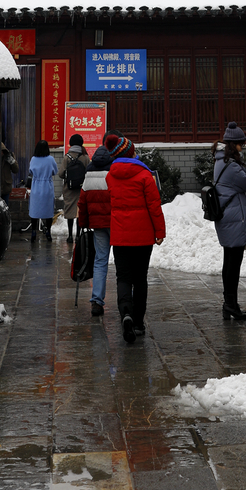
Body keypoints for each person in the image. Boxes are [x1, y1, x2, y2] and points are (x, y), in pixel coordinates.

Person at [105, 136, 165, 343]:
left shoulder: (110, 177)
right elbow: (154, 206)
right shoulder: (145, 175)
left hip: (120, 235)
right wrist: (160, 232)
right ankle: (138, 322)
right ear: (131, 153)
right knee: (140, 278)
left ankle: (126, 314)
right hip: (143, 235)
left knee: (123, 277)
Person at [212, 122, 246, 323]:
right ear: (234, 145)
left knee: (229, 262)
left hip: (228, 218)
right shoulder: (230, 165)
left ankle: (229, 304)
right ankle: (231, 304)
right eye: (241, 144)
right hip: (233, 219)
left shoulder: (222, 161)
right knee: (233, 264)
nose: (243, 148)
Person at [76, 134, 116, 316]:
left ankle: (97, 301)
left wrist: (83, 223)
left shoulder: (88, 175)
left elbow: (82, 203)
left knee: (100, 261)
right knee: (123, 263)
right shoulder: (114, 174)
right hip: (117, 224)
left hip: (98, 225)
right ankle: (127, 300)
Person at [27, 140, 57, 244]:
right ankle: (48, 231)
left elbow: (30, 171)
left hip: (36, 186)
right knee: (49, 211)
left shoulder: (33, 159)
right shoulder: (50, 159)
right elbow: (55, 171)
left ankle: (34, 232)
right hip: (47, 187)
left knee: (34, 211)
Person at [61, 135, 90, 244]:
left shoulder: (67, 157)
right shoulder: (85, 157)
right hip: (82, 187)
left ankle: (69, 235)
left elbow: (61, 174)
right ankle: (78, 234)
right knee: (79, 212)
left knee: (70, 212)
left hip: (69, 188)